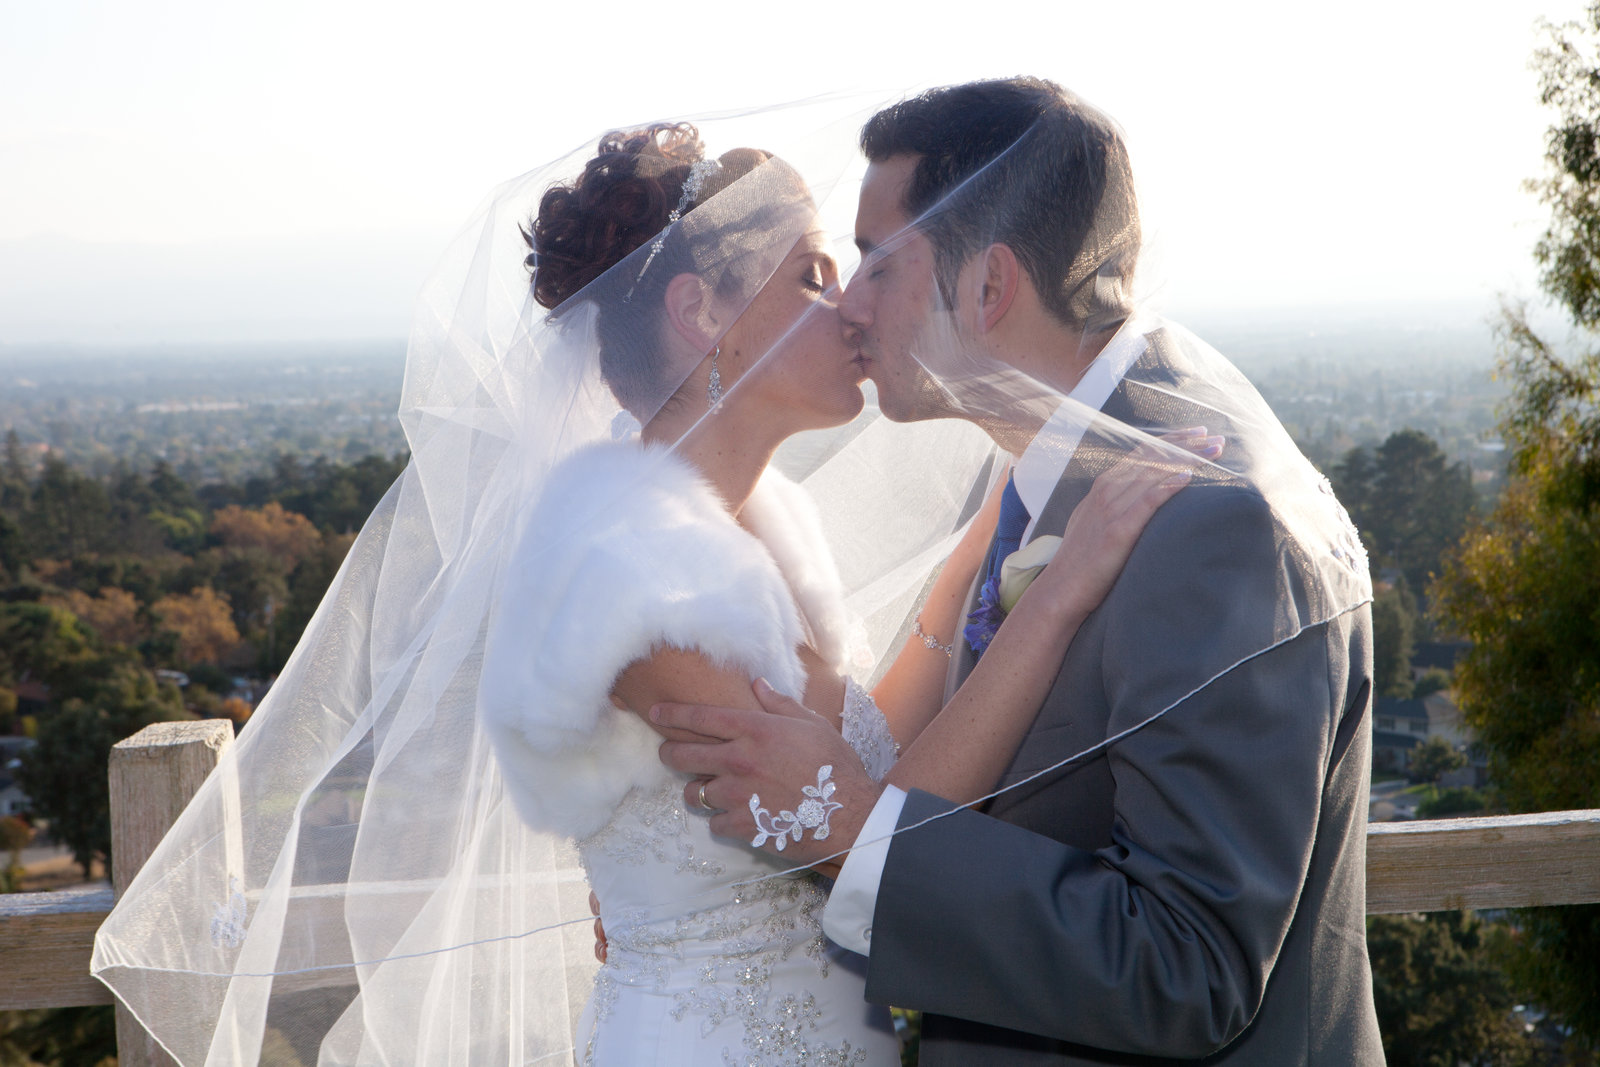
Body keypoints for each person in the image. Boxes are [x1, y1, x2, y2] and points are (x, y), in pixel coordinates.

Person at [90, 103, 1205, 1066]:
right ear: (702, 315)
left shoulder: (757, 528)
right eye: (816, 278)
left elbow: (874, 748)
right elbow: (875, 844)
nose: (856, 306)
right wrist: (1055, 600)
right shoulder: (637, 579)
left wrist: (1000, 530)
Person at [653, 78, 1384, 1064]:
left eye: (875, 263)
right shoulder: (1043, 467)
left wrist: (864, 833)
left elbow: (1190, 966)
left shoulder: (1212, 521)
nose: (847, 306)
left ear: (988, 286)